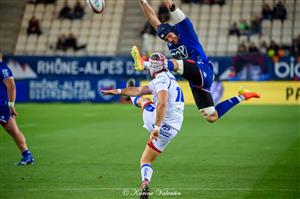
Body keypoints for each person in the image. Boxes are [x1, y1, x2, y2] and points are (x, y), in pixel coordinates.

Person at [133, 0, 260, 123]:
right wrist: (143, 2)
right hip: (195, 81)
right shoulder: (167, 36)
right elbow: (151, 17)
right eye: (167, 39)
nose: (170, 40)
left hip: (203, 69)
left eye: (170, 36)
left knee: (175, 63)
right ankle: (243, 96)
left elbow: (171, 5)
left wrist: (169, 4)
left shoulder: (186, 30)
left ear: (173, 30)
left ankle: (144, 64)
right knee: (211, 117)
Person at [102, 53, 184, 199]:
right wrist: (118, 91)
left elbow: (163, 103)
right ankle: (145, 182)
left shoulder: (160, 81)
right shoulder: (169, 76)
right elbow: (139, 90)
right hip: (174, 128)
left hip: (159, 122)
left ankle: (146, 181)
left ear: (152, 69)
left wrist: (157, 128)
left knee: (145, 101)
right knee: (146, 160)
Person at [0, 53, 35, 165]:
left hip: (1, 105)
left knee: (14, 131)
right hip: (3, 105)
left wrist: (11, 105)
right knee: (14, 131)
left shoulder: (3, 68)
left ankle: (27, 155)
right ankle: (27, 155)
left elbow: (11, 86)